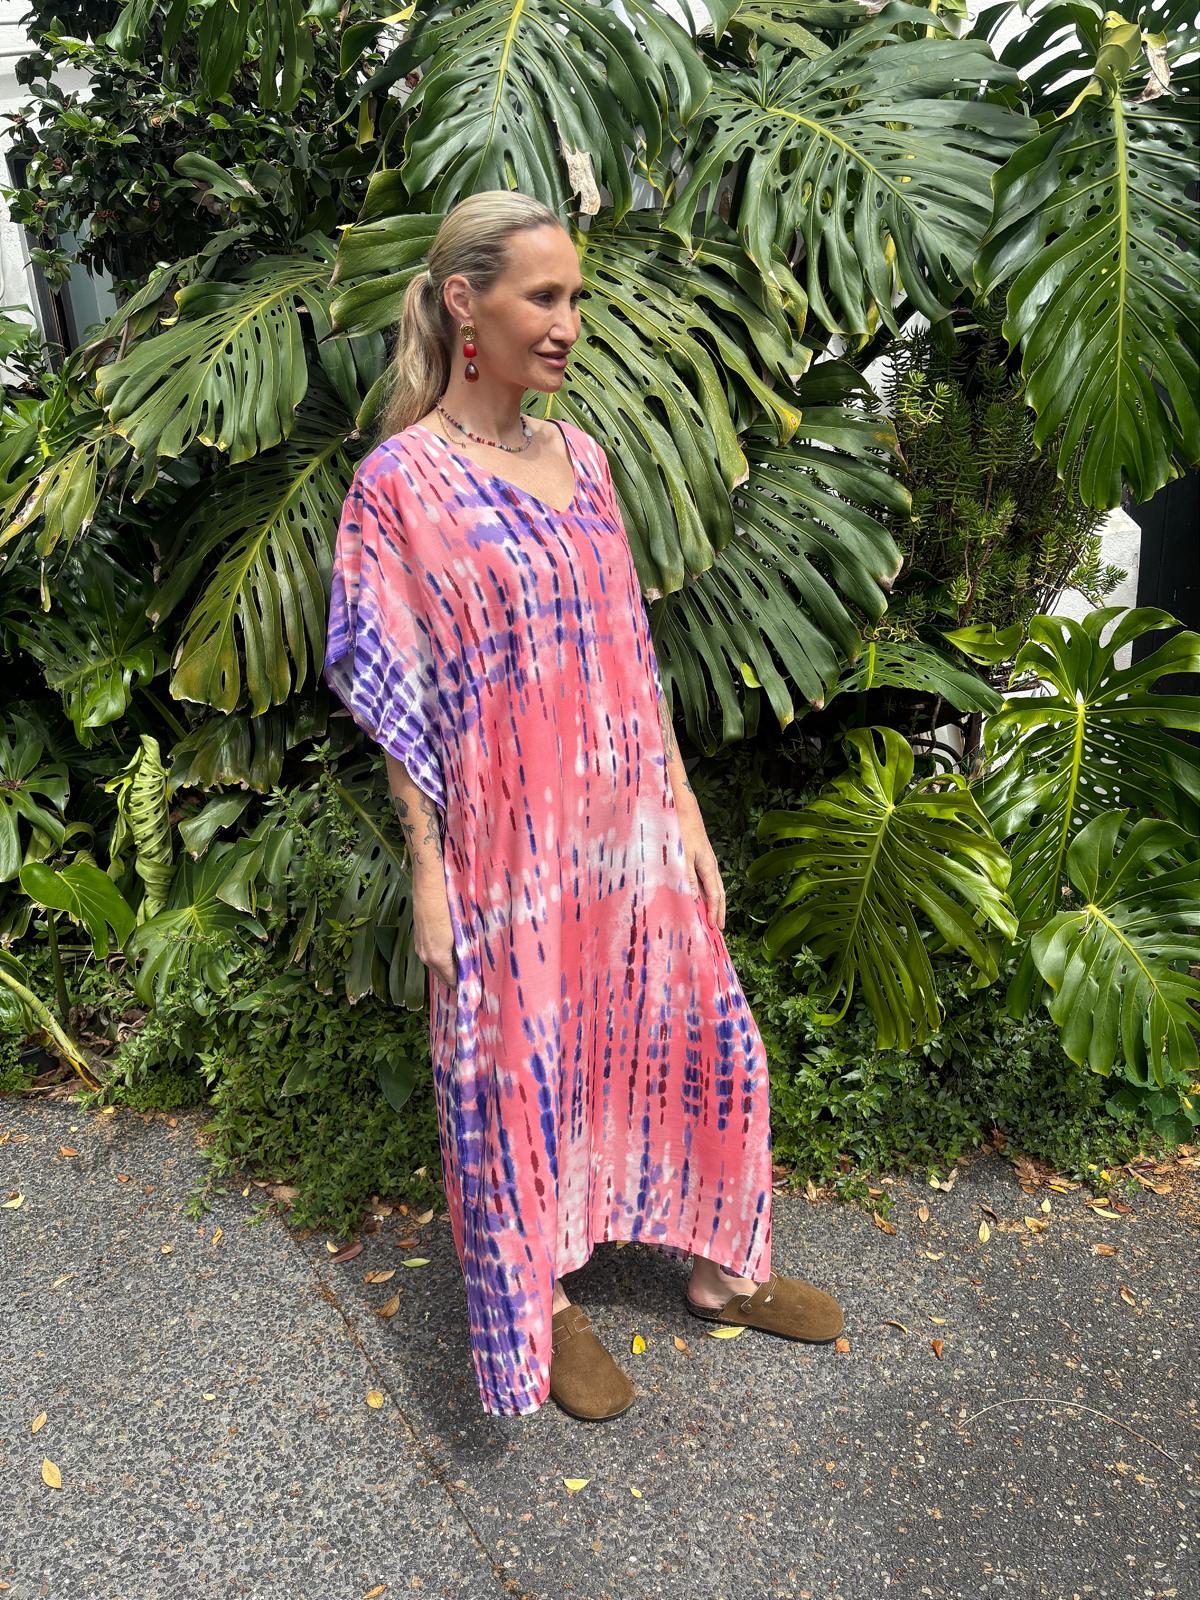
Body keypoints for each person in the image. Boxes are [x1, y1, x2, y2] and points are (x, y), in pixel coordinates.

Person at [323, 190, 844, 1421]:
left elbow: (629, 656)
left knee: (708, 1034)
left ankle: (722, 1269)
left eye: (575, 298)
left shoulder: (586, 459)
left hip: (626, 831)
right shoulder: (400, 485)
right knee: (518, 1072)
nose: (566, 322)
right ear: (466, 303)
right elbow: (396, 692)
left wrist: (687, 815)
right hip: (506, 847)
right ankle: (542, 1302)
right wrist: (428, 867)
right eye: (543, 296)